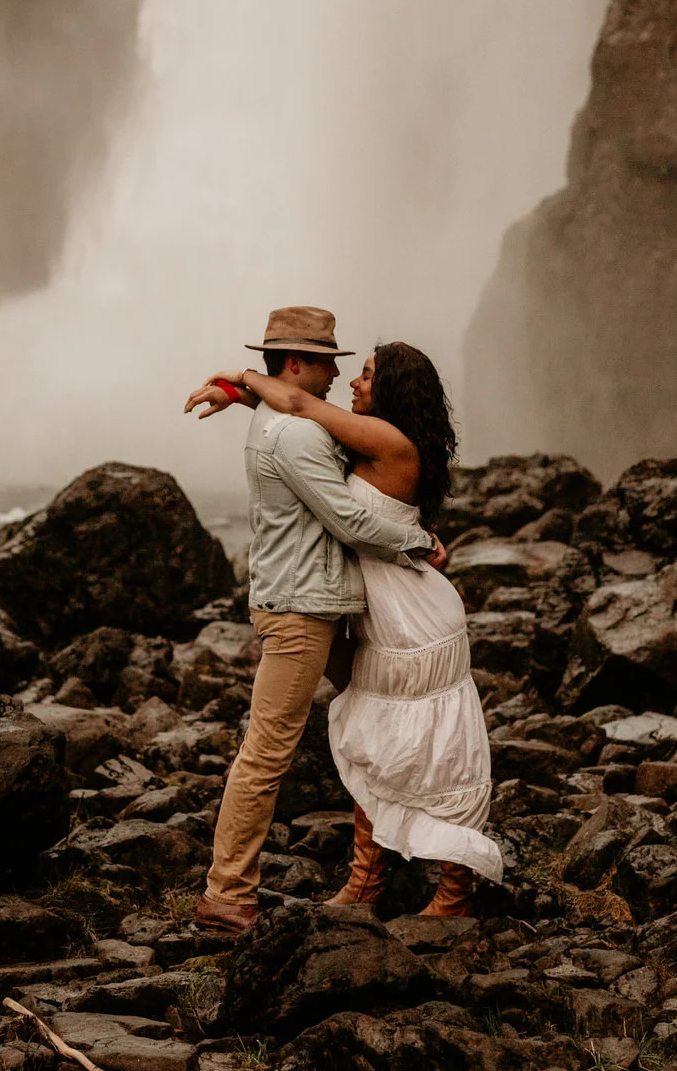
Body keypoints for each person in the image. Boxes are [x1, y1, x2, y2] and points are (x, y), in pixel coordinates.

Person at [194, 339, 503, 918]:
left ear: (393, 391)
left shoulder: (388, 441)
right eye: (350, 372)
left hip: (412, 615)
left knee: (438, 745)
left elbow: (301, 404)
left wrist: (239, 378)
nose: (352, 382)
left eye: (365, 375)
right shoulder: (368, 436)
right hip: (381, 609)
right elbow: (297, 418)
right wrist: (240, 395)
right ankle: (366, 883)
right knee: (381, 738)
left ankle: (454, 892)